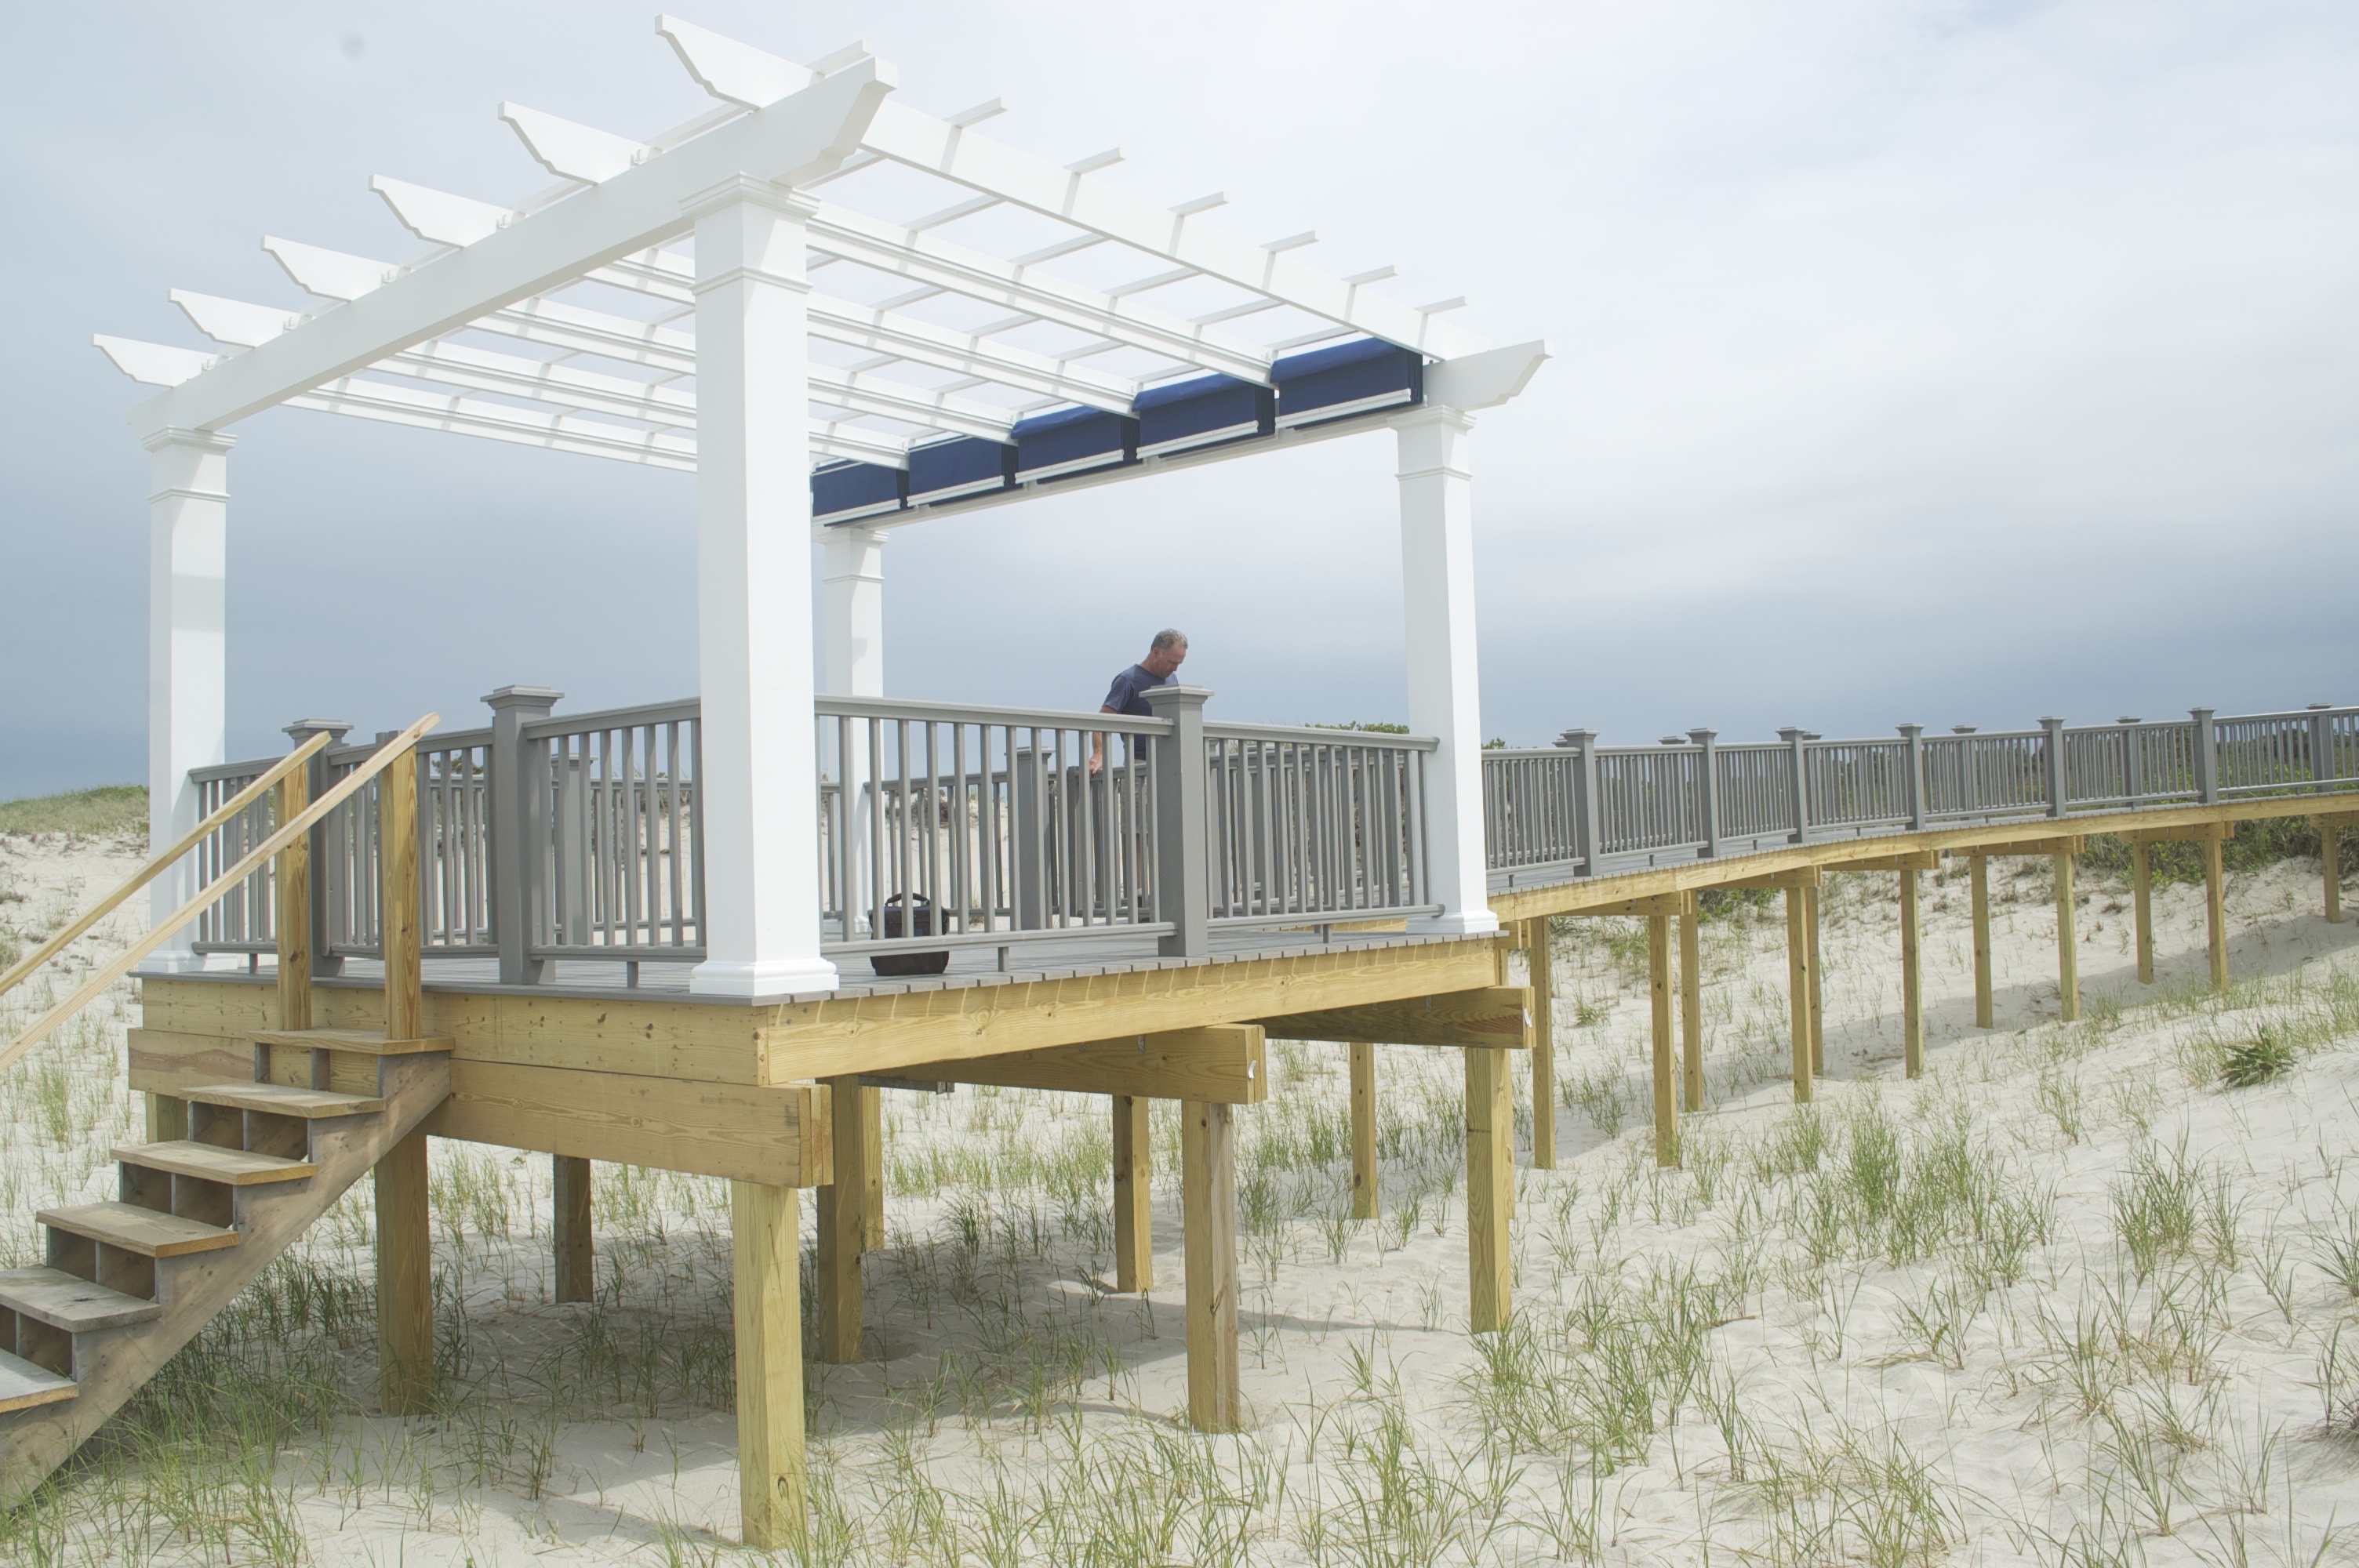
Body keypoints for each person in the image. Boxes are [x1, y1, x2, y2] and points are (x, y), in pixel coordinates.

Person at [1089, 630, 1187, 773]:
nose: (1175, 669)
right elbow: (1101, 721)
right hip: (1139, 765)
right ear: (1155, 652)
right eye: (1171, 663)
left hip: (1169, 764)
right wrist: (1099, 754)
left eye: (1179, 664)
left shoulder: (1172, 679)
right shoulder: (1128, 680)